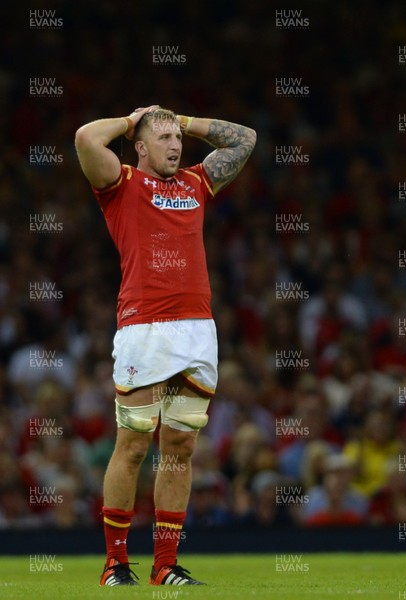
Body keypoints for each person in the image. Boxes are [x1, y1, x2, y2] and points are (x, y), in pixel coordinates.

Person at [75, 105, 256, 586]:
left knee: (179, 448)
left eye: (178, 138)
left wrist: (186, 120)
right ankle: (116, 563)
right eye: (164, 137)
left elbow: (245, 140)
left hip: (198, 329)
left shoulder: (197, 182)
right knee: (133, 445)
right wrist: (131, 119)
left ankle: (165, 566)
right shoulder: (122, 183)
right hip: (144, 327)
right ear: (139, 145)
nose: (176, 145)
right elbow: (86, 139)